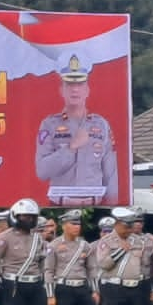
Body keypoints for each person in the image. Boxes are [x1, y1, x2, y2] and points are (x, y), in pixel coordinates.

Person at [36, 54, 117, 206]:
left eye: (80, 85)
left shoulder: (101, 125)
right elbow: (42, 171)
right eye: (69, 85)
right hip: (60, 205)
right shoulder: (49, 125)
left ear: (87, 90)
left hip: (95, 205)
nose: (75, 90)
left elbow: (110, 173)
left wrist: (113, 205)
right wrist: (70, 148)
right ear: (62, 90)